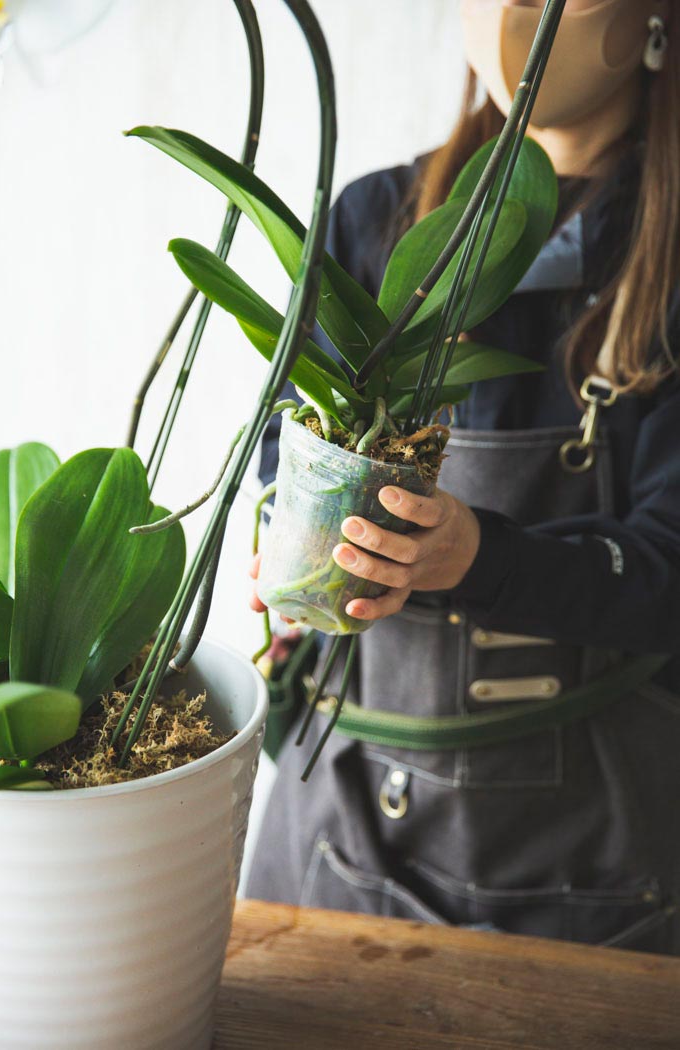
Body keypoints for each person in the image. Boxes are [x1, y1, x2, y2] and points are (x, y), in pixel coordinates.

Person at [247, 0, 680, 956]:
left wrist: (476, 554)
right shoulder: (374, 222)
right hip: (342, 836)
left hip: (593, 875)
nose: (510, 15)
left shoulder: (661, 266)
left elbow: (669, 575)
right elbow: (277, 458)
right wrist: (286, 548)